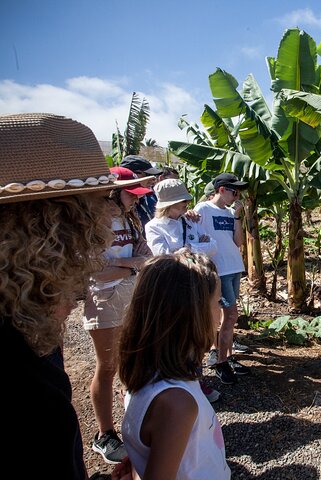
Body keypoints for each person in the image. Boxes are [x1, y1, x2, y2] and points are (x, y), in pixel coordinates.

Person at [0, 113, 147, 479]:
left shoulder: (33, 333)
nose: (105, 218)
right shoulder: (19, 373)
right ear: (58, 227)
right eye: (97, 204)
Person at [118, 251, 231, 479]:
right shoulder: (177, 403)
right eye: (218, 302)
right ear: (194, 315)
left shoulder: (152, 372)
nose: (222, 311)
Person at [83, 166, 153, 464]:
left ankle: (133, 423)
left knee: (132, 359)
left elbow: (139, 254)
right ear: (114, 191)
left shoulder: (130, 217)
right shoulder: (95, 221)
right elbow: (95, 272)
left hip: (129, 292)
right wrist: (136, 261)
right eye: (131, 193)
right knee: (108, 365)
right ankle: (105, 434)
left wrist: (137, 256)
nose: (136, 199)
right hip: (106, 298)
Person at [144, 178, 221, 403]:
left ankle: (195, 379)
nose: (185, 207)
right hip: (170, 289)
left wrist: (187, 250)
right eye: (180, 204)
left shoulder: (190, 222)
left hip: (196, 284)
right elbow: (162, 255)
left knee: (195, 333)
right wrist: (194, 249)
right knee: (173, 334)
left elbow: (212, 247)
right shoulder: (153, 227)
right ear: (166, 206)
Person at [193, 173, 251, 384]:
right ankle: (220, 362)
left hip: (234, 266)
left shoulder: (229, 212)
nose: (237, 195)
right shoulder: (202, 210)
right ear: (221, 190)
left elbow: (238, 242)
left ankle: (227, 357)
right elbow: (193, 235)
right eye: (234, 191)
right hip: (219, 270)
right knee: (227, 315)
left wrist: (237, 217)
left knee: (230, 317)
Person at [120, 154, 162, 228]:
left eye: (154, 176)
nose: (153, 180)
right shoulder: (114, 206)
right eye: (147, 175)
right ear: (132, 174)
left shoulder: (151, 197)